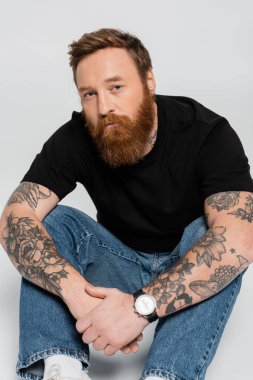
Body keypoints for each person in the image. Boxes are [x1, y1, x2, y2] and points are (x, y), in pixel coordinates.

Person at [0, 28, 253, 380]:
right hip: (117, 265)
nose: (105, 107)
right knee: (50, 223)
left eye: (116, 87)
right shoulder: (78, 136)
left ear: (148, 81)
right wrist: (79, 297)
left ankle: (164, 374)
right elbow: (16, 215)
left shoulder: (207, 132)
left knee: (213, 235)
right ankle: (62, 367)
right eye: (90, 94)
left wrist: (138, 309)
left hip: (186, 266)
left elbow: (241, 239)